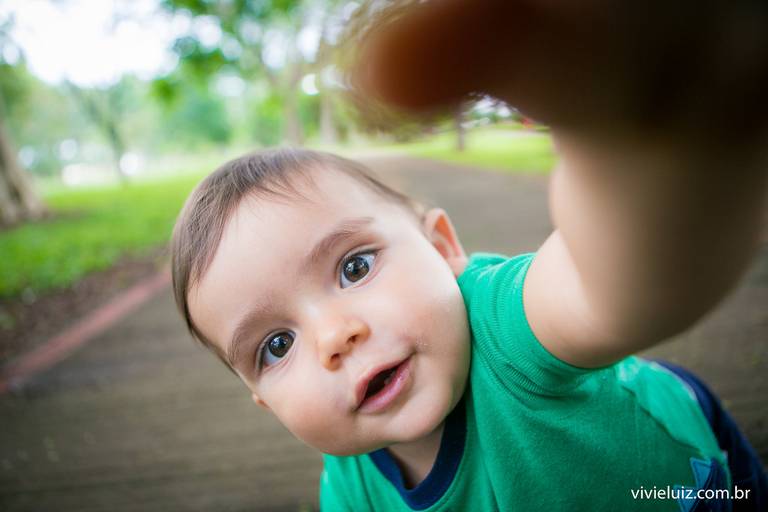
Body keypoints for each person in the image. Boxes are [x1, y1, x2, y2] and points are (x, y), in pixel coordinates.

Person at [170, 0, 768, 510]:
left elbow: (615, 287)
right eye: (276, 345)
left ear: (443, 247)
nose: (333, 337)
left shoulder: (504, 328)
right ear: (262, 398)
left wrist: (632, 146)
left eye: (355, 267)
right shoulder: (350, 482)